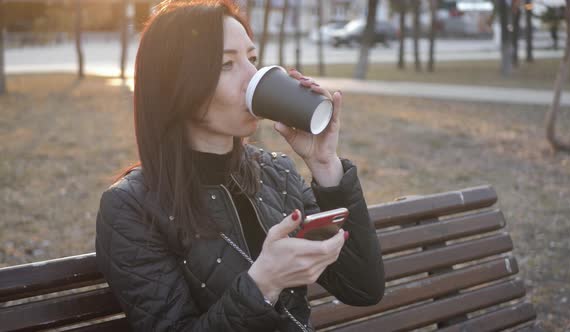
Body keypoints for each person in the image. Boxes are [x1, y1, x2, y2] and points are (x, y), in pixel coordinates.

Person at [95, 1, 384, 331]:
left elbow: (364, 289)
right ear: (174, 84)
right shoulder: (132, 207)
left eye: (252, 59)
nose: (253, 78)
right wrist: (262, 285)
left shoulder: (277, 173)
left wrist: (325, 164)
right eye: (226, 65)